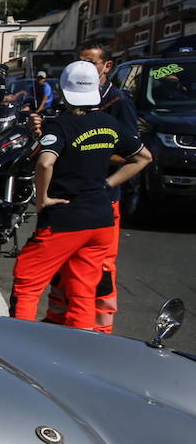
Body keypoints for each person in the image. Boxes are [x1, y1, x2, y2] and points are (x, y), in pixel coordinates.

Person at [9, 61, 150, 329]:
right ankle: (79, 346)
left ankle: (19, 345)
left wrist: (43, 199)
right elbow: (143, 157)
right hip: (100, 220)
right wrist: (107, 184)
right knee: (83, 291)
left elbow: (45, 162)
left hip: (65, 218)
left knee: (27, 282)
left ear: (63, 90)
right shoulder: (110, 123)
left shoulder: (61, 125)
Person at [40, 41, 139, 333]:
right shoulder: (72, 96)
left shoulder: (118, 102)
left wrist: (87, 151)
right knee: (63, 266)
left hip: (102, 198)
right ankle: (57, 318)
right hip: (70, 197)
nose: (84, 68)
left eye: (91, 63)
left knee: (100, 269)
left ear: (106, 67)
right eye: (79, 61)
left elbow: (134, 152)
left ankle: (99, 329)